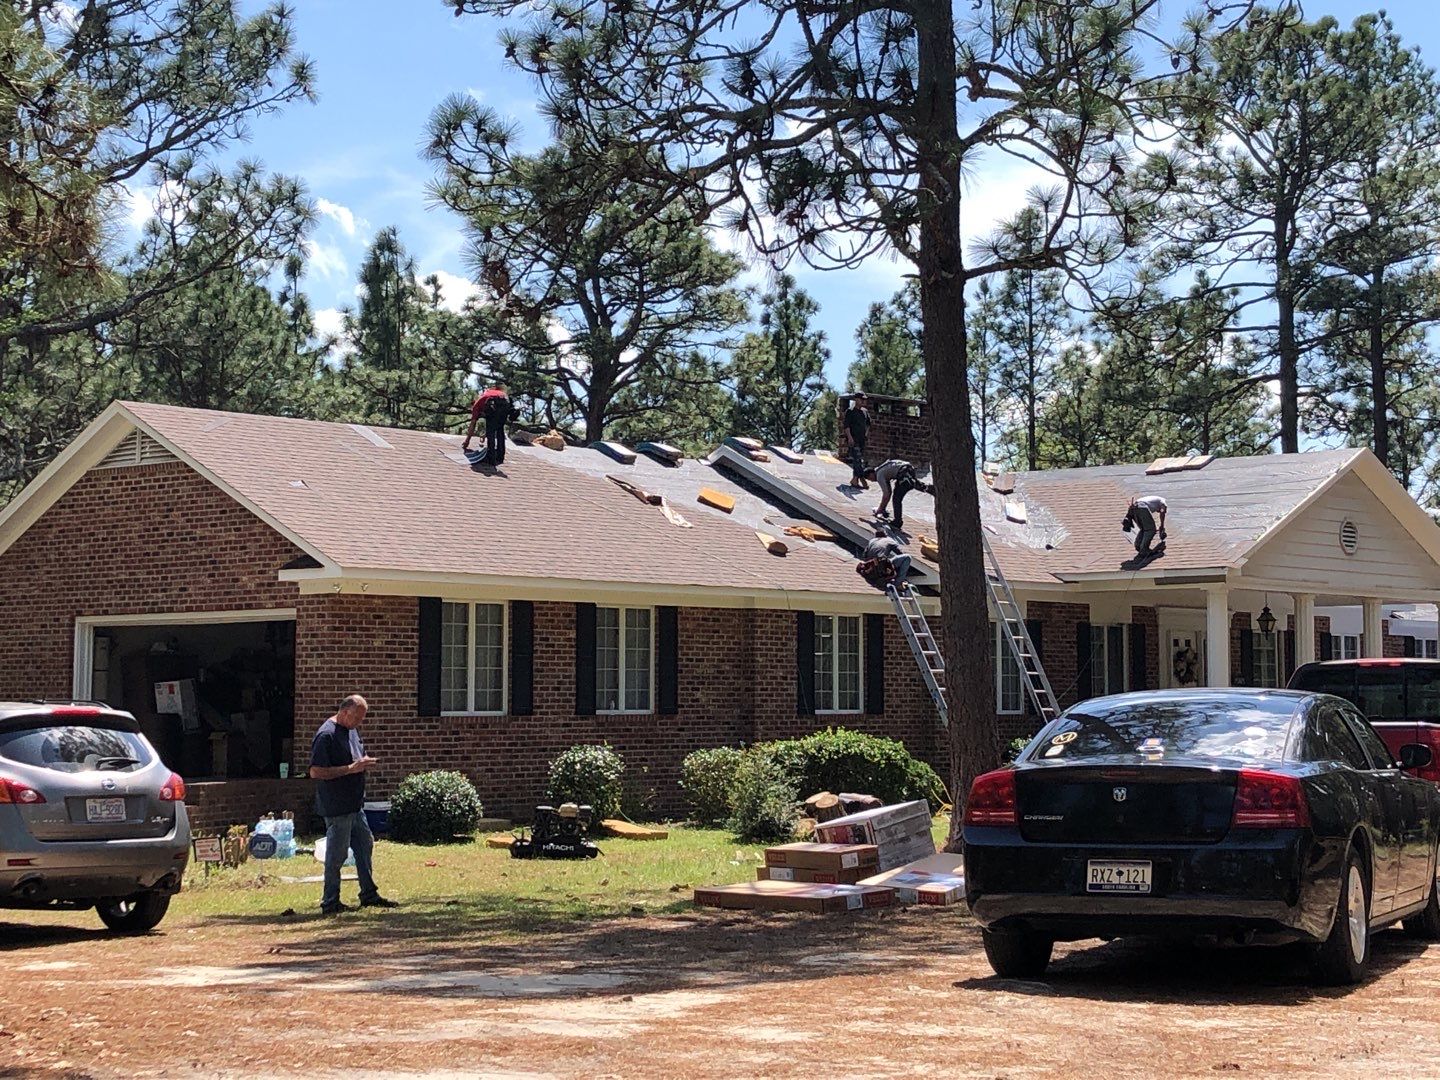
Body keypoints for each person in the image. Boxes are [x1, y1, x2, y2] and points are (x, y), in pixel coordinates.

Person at [309, 694, 398, 915]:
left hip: (355, 804)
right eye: (357, 718)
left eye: (362, 719)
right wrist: (350, 769)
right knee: (336, 855)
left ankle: (368, 894)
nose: (359, 723)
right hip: (337, 805)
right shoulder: (326, 735)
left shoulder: (350, 730)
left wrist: (363, 762)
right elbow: (315, 771)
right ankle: (330, 902)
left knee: (365, 844)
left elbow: (354, 757)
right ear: (344, 712)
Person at [867, 458, 933, 531]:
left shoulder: (879, 475)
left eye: (870, 479)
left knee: (897, 499)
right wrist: (882, 509)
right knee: (911, 484)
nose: (872, 481)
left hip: (903, 473)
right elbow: (888, 492)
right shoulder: (882, 470)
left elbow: (886, 495)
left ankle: (897, 522)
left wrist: (879, 510)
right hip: (908, 468)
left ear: (871, 474)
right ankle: (929, 489)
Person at [462, 382, 512, 464]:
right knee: (500, 429)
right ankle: (500, 457)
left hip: (494, 403)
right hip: (506, 401)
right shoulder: (488, 392)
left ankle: (491, 458)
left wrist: (467, 441)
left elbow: (472, 424)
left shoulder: (476, 406)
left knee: (491, 432)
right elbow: (494, 422)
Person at [842, 393, 871, 488]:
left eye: (864, 399)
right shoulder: (850, 411)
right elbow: (846, 426)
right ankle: (862, 479)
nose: (863, 401)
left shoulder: (865, 412)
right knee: (858, 459)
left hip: (862, 440)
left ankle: (855, 479)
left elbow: (868, 424)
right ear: (856, 399)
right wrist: (850, 438)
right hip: (853, 439)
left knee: (857, 460)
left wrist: (866, 434)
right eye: (861, 399)